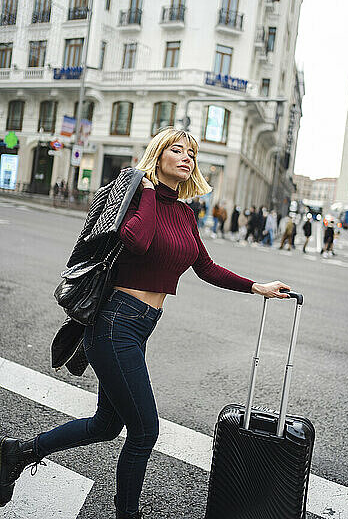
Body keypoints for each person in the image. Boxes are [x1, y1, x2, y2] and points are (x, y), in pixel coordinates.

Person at [0, 127, 292, 519]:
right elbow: (136, 241)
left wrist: (258, 286)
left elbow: (205, 267)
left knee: (107, 424)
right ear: (158, 155)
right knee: (144, 431)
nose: (187, 157)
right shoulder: (137, 196)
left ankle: (16, 452)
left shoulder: (186, 213)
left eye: (192, 152)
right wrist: (149, 189)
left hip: (140, 326)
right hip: (115, 322)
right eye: (177, 150)